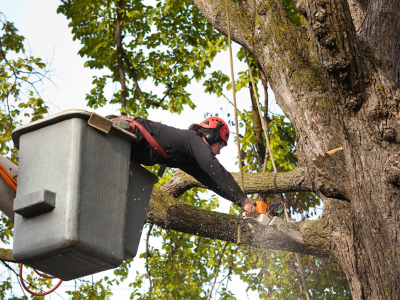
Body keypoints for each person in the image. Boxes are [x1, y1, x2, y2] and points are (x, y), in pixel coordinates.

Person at [106, 115, 257, 217]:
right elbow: (214, 168)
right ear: (212, 135)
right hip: (120, 131)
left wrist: (240, 201)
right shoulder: (194, 139)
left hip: (125, 148)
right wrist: (244, 200)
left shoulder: (190, 158)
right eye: (220, 146)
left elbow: (214, 182)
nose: (219, 152)